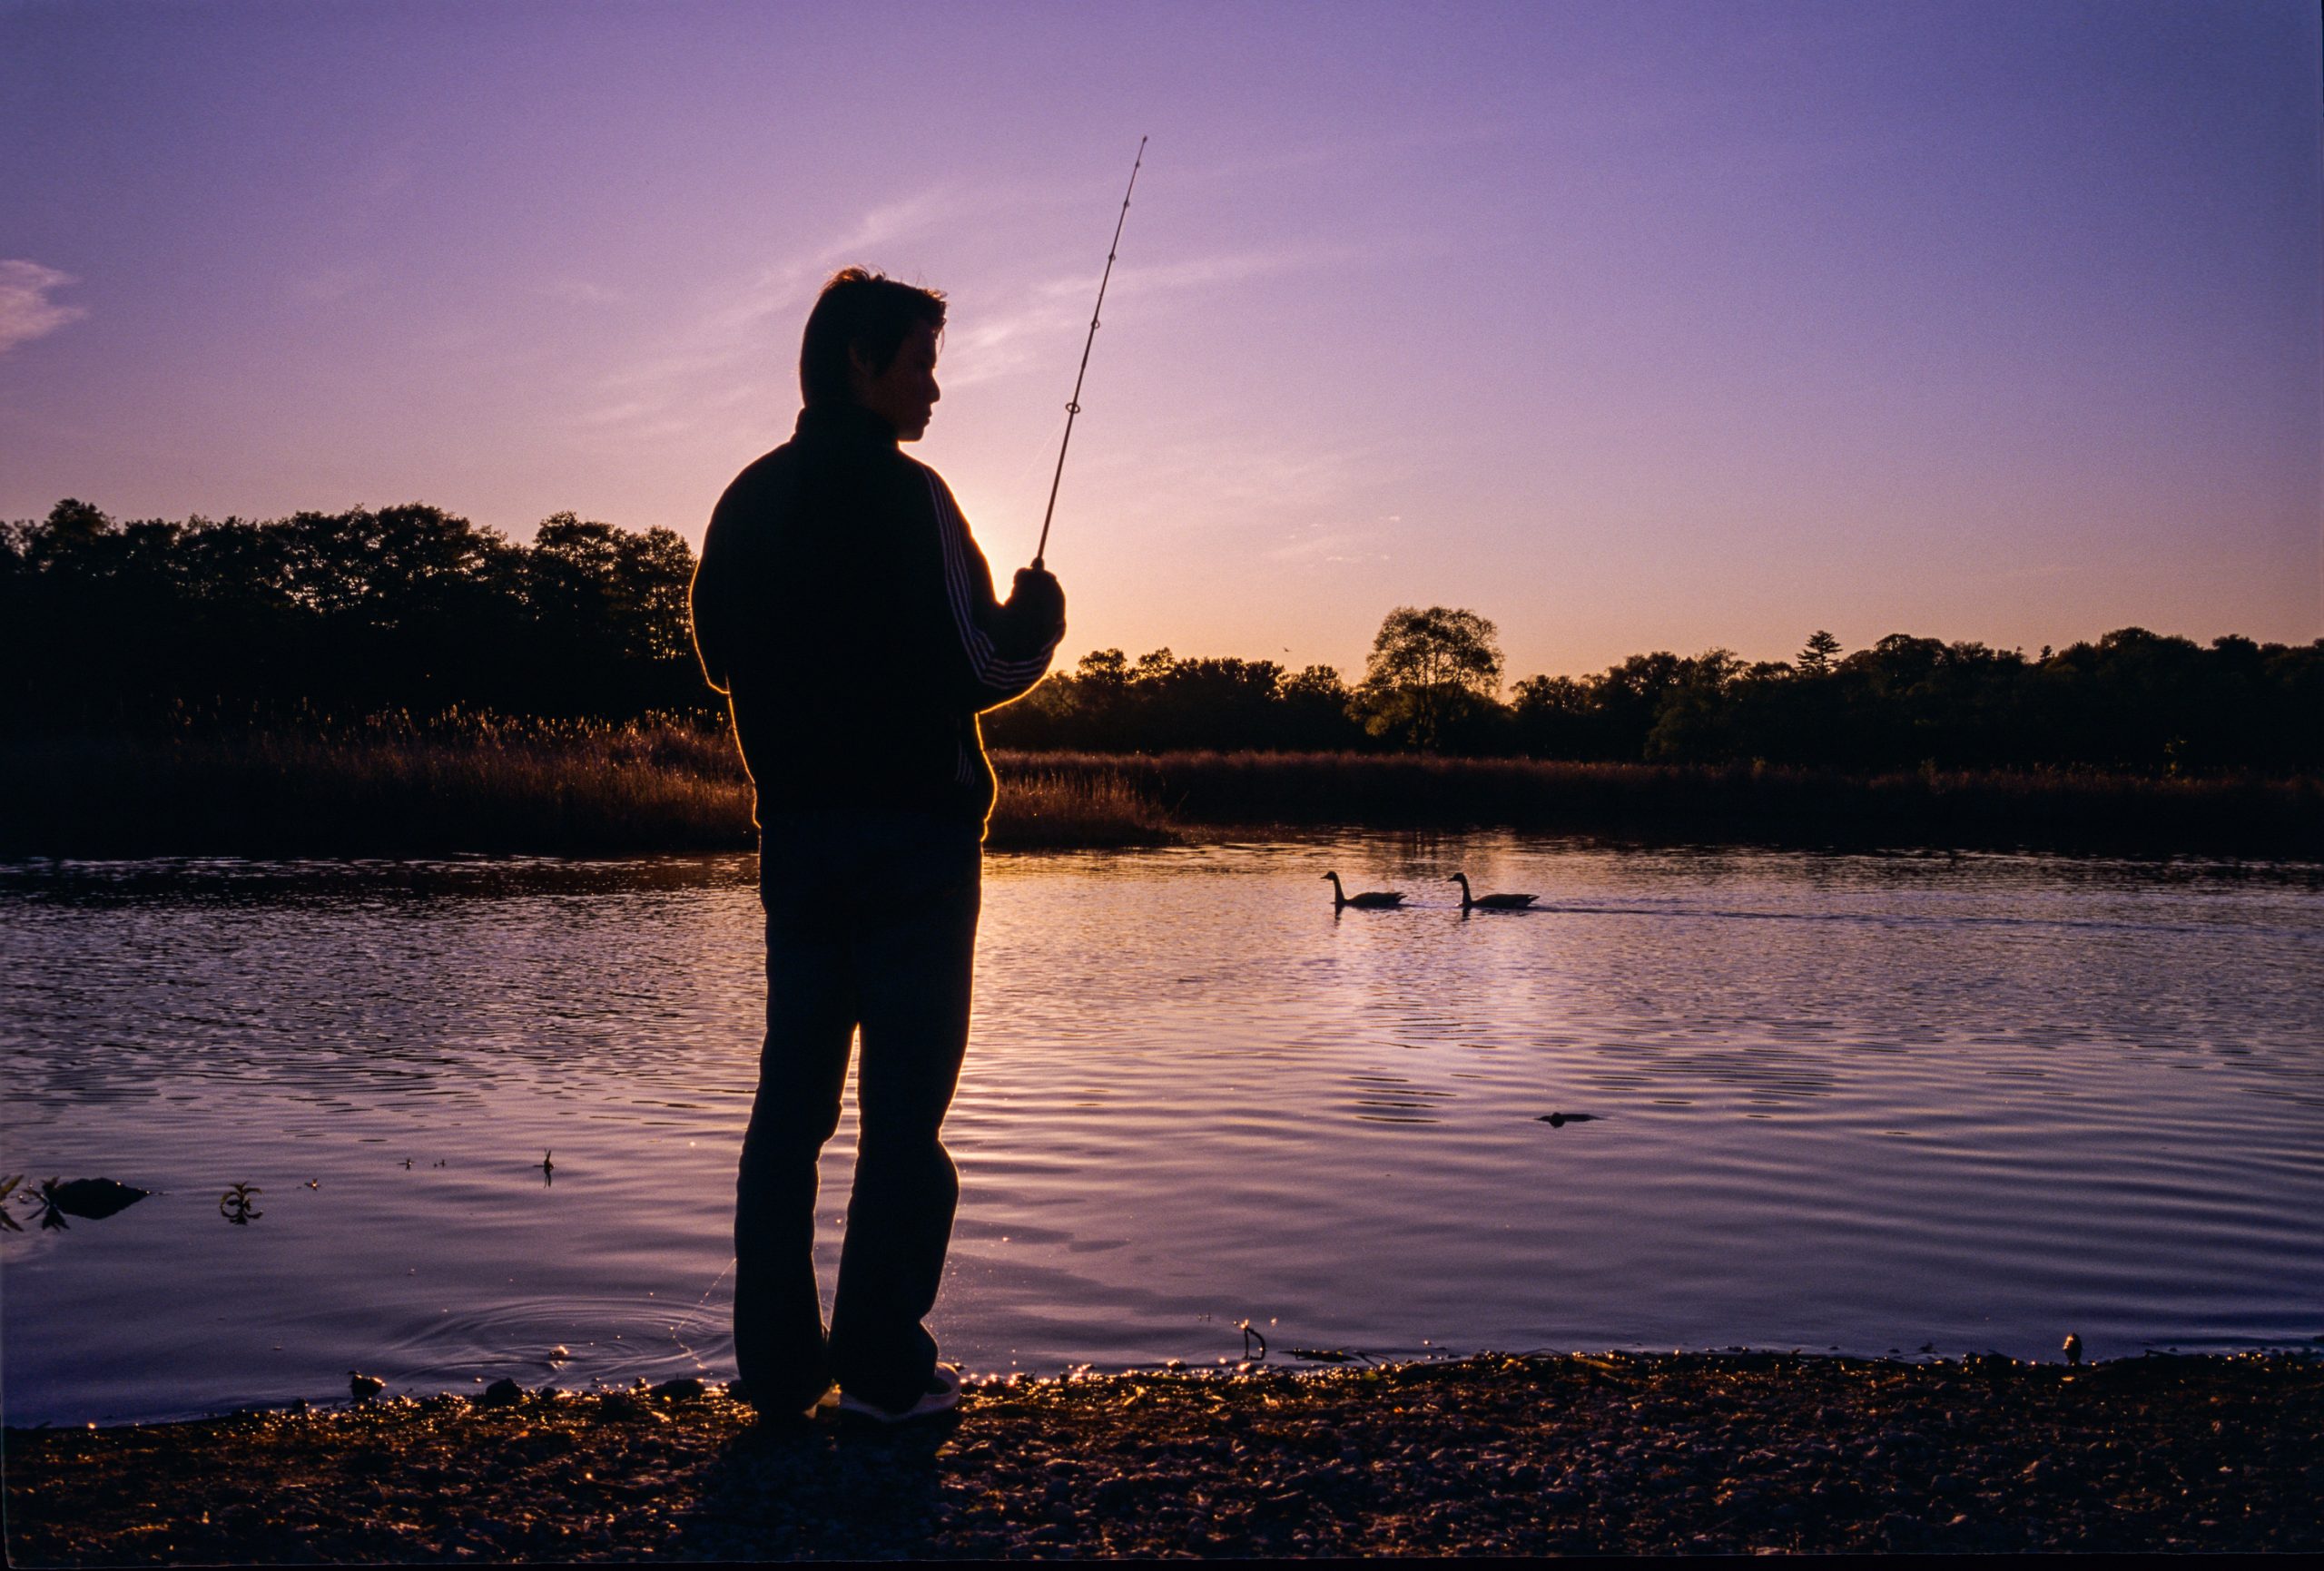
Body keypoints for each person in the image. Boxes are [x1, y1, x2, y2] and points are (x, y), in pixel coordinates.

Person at [688, 267, 1067, 1423]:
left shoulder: (745, 500)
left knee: (790, 1106)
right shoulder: (915, 501)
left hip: (798, 842)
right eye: (919, 362)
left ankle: (778, 1371)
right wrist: (1040, 615)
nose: (934, 389)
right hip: (914, 849)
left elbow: (716, 651)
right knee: (904, 1113)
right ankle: (885, 1372)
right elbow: (986, 663)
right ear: (860, 362)